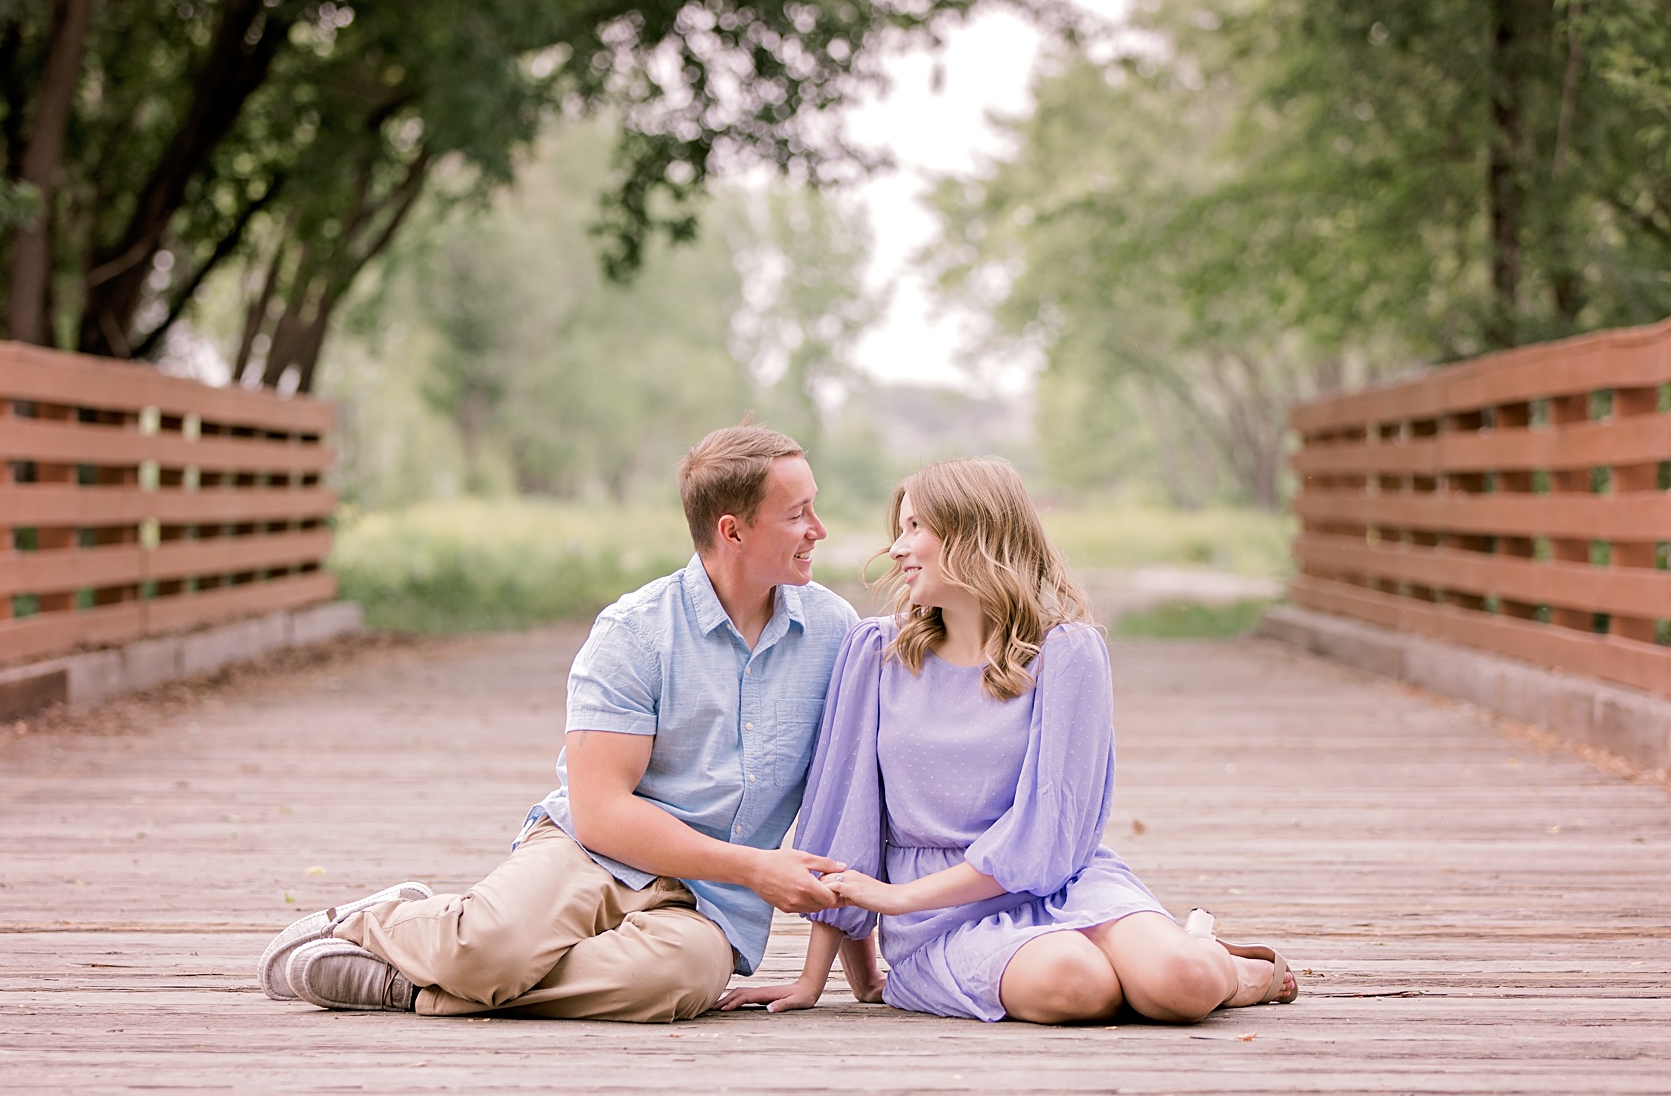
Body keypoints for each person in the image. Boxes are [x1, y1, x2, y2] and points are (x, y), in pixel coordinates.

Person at [257, 421, 876, 1022]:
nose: (817, 530)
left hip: (708, 906)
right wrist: (754, 867)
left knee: (675, 981)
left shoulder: (833, 632)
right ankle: (380, 922)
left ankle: (407, 986)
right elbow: (603, 812)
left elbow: (846, 796)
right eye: (797, 514)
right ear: (732, 532)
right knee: (489, 949)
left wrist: (855, 970)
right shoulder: (635, 632)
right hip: (592, 854)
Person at [720, 457, 1296, 1024]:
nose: (896, 549)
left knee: (1184, 982)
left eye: (915, 527)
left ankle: (1223, 967)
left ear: (976, 536)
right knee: (1076, 983)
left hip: (1065, 882)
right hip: (939, 918)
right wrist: (817, 977)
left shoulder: (1068, 655)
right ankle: (1136, 970)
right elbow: (845, 818)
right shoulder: (875, 654)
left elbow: (1048, 836)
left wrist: (892, 899)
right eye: (898, 530)